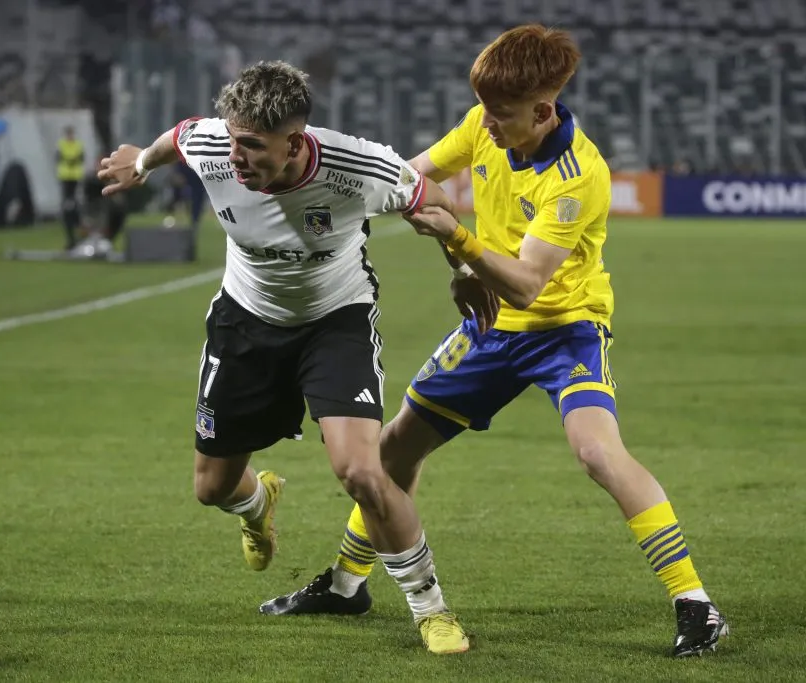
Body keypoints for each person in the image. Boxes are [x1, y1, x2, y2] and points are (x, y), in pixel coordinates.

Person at [259, 25, 728, 659]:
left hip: (565, 328)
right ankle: (347, 584)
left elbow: (529, 284)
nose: (488, 125)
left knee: (596, 452)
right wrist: (326, 188)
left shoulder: (577, 174)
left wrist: (459, 243)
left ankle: (695, 603)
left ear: (543, 111)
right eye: (484, 109)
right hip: (488, 328)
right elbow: (412, 176)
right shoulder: (484, 123)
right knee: (392, 451)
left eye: (502, 115)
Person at [99, 60, 468, 655]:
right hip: (244, 322)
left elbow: (439, 198)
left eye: (252, 146)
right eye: (233, 139)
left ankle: (432, 611)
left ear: (296, 141)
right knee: (212, 488)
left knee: (360, 471)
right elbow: (181, 135)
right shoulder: (214, 142)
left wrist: (462, 263)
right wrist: (139, 163)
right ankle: (258, 504)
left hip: (335, 322)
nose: (236, 156)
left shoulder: (359, 168)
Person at [57, 125, 85, 249]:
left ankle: (77, 225)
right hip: (65, 177)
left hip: (75, 177)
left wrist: (70, 160)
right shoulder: (61, 144)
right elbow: (59, 158)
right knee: (68, 203)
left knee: (74, 202)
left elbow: (81, 158)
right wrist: (71, 160)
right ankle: (73, 229)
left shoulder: (78, 145)